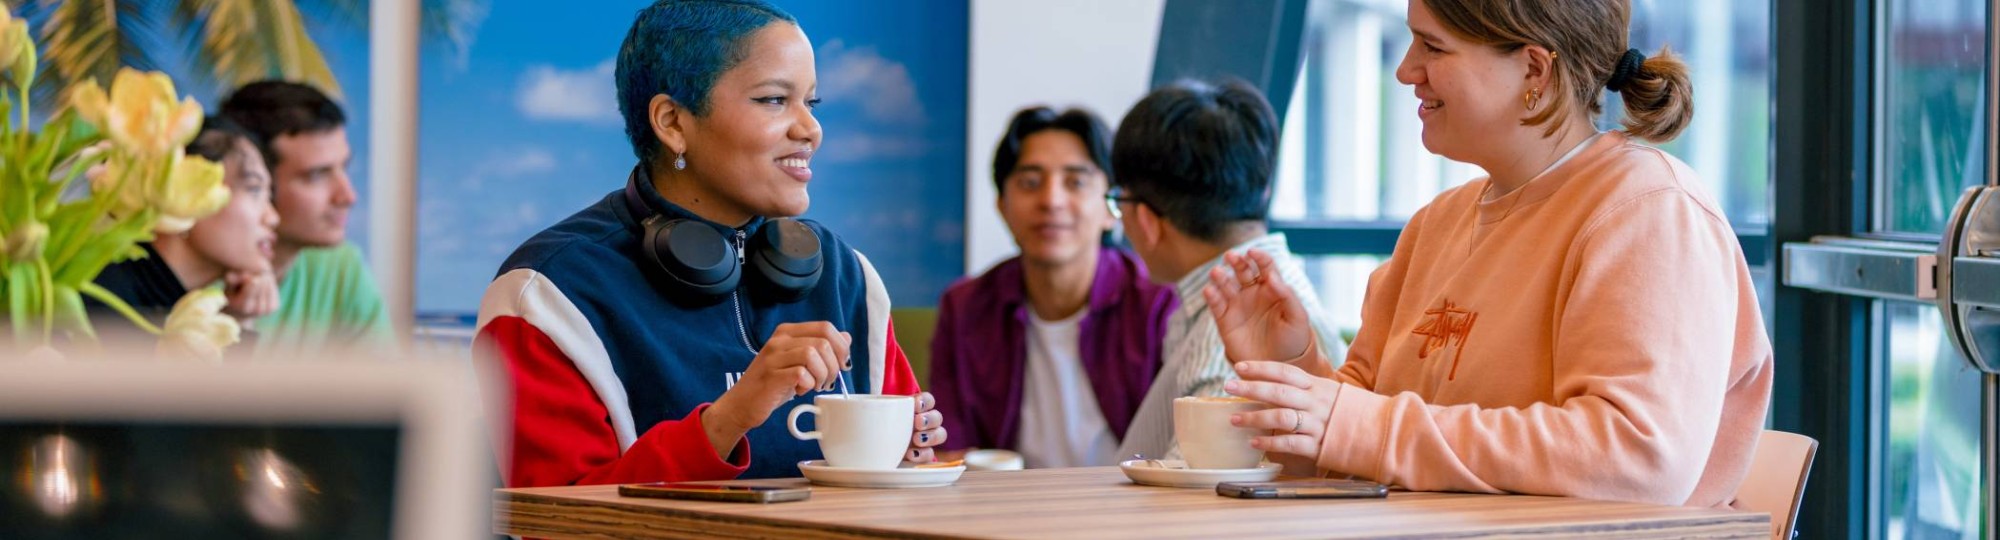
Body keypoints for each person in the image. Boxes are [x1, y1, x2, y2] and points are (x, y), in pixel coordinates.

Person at [1206, 0, 1773, 507]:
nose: (1405, 70)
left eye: (1432, 45)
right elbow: (1362, 452)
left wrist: (1362, 428)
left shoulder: (1650, 209)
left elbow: (1640, 460)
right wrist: (1293, 367)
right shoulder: (1435, 225)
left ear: (1533, 69)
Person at [474, 0, 945, 486]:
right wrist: (729, 419)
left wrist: (910, 448)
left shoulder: (846, 275)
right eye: (774, 100)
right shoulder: (549, 292)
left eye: (812, 102)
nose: (811, 130)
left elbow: (896, 483)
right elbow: (552, 524)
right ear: (673, 123)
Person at [1105, 79, 1346, 462]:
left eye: (1119, 204)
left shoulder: (1236, 324)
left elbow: (1200, 489)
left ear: (1147, 221)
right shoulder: (1276, 289)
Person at [929, 106, 1177, 468]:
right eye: (1030, 182)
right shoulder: (965, 307)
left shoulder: (1158, 305)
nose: (1051, 201)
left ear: (1113, 207)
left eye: (1075, 182)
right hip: (1003, 515)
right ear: (1003, 205)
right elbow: (951, 451)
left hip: (1135, 514)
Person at [217, 80, 392, 356]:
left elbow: (387, 393)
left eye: (343, 168)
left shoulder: (342, 268)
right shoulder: (195, 276)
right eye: (317, 175)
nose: (347, 196)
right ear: (258, 182)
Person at [89, 119, 282, 339]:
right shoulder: (104, 304)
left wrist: (238, 321)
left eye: (269, 196)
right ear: (185, 188)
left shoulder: (169, 308)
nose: (273, 217)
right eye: (254, 189)